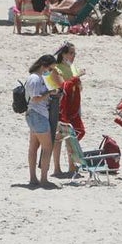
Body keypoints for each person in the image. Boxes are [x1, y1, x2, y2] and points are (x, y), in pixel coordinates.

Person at [49, 43, 86, 178]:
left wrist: (77, 80)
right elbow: (62, 86)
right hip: (61, 106)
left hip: (75, 104)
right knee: (59, 137)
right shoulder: (57, 68)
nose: (73, 56)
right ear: (63, 54)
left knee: (73, 135)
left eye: (74, 53)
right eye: (71, 53)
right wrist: (76, 79)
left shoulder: (72, 68)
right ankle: (57, 167)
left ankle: (72, 165)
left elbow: (79, 87)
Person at [23, 54, 58, 188]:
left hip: (36, 115)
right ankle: (43, 178)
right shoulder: (34, 79)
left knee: (34, 147)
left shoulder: (41, 78)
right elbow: (35, 98)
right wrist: (49, 93)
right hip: (38, 115)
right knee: (47, 147)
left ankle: (33, 178)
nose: (50, 71)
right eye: (50, 68)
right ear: (44, 65)